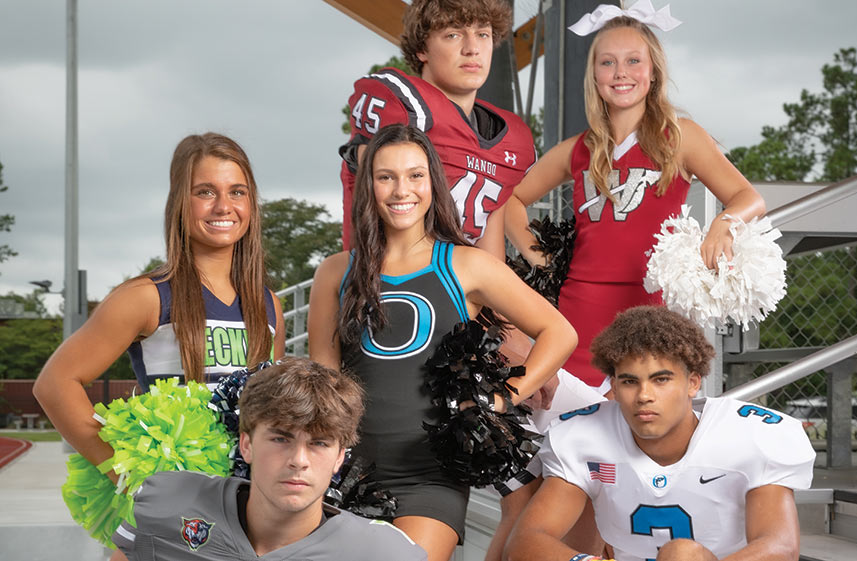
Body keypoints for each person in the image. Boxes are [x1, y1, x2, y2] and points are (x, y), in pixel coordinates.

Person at [309, 124, 576, 561]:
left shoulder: (465, 264)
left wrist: (500, 400)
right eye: (386, 176)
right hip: (346, 469)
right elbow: (325, 382)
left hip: (429, 475)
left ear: (433, 182)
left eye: (415, 175)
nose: (402, 190)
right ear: (368, 186)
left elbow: (560, 332)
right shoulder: (336, 272)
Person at [505, 5, 766, 388]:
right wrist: (536, 255)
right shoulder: (577, 149)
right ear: (594, 75)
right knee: (571, 430)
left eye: (633, 61)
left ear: (653, 71)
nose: (621, 73)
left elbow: (748, 197)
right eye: (607, 63)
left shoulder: (681, 136)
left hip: (651, 310)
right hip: (578, 316)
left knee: (643, 424)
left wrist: (724, 224)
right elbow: (511, 199)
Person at [34, 131, 285, 490]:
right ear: (180, 201)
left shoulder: (268, 304)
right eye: (205, 192)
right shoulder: (146, 297)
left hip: (248, 499)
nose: (223, 206)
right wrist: (125, 472)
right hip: (175, 502)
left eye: (237, 192)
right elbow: (55, 384)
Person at [506, 306, 815, 561]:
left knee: (682, 555)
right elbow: (526, 542)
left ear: (693, 383)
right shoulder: (585, 437)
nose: (644, 395)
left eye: (661, 380)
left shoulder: (748, 435)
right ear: (613, 387)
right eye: (629, 381)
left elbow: (781, 547)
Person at [111, 357, 427, 560]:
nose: (299, 460)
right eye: (280, 438)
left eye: (318, 443)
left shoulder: (382, 552)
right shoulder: (168, 505)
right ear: (246, 444)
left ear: (340, 458)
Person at [339, 0, 536, 261]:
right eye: (453, 34)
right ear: (422, 49)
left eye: (482, 34)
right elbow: (376, 223)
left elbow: (490, 258)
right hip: (387, 284)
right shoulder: (405, 110)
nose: (472, 49)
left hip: (460, 289)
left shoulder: (511, 138)